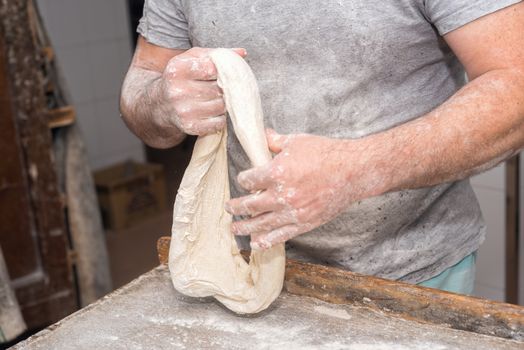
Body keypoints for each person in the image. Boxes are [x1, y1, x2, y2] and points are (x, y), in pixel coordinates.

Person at [120, 0, 524, 295]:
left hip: (415, 266)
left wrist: (358, 170)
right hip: (245, 263)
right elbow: (143, 84)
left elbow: (516, 85)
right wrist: (162, 101)